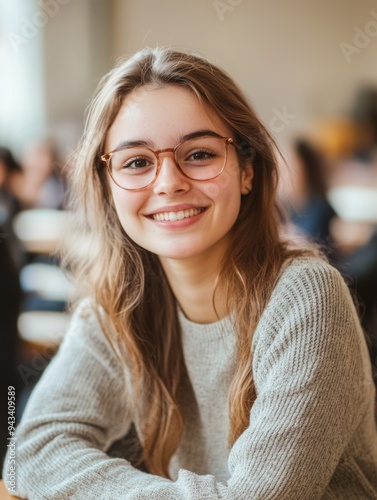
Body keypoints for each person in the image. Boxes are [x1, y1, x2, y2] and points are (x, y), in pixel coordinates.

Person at [3, 47, 377, 499]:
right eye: (137, 162)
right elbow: (29, 453)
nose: (168, 182)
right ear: (107, 188)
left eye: (198, 154)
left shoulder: (305, 297)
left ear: (247, 171)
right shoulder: (119, 306)